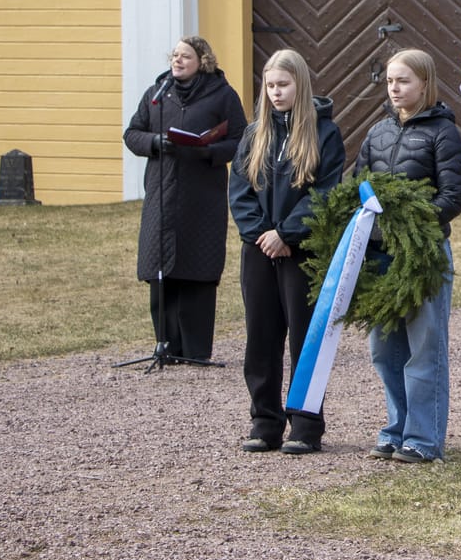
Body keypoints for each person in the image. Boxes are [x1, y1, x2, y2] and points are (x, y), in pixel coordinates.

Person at [355, 48, 461, 464]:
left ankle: (423, 438)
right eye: (389, 81)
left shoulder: (443, 133)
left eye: (403, 81)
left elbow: (453, 196)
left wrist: (411, 225)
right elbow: (359, 185)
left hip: (423, 254)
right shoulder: (377, 132)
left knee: (424, 348)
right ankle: (396, 429)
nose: (394, 88)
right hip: (381, 254)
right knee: (384, 349)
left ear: (425, 83)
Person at [229, 49, 345, 455]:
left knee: (304, 338)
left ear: (300, 84)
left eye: (283, 85)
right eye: (270, 86)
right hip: (259, 251)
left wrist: (287, 233)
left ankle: (306, 425)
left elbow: (324, 192)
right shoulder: (254, 134)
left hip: (302, 252)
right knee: (261, 337)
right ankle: (265, 422)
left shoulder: (324, 134)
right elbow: (240, 190)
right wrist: (262, 234)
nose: (276, 93)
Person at [124, 36, 246, 363]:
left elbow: (241, 139)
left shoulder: (222, 95)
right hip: (161, 196)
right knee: (160, 269)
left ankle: (195, 351)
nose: (177, 60)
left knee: (197, 269)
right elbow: (132, 134)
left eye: (185, 56)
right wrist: (155, 142)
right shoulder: (157, 94)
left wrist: (209, 151)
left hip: (201, 197)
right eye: (175, 55)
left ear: (202, 61)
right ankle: (167, 347)